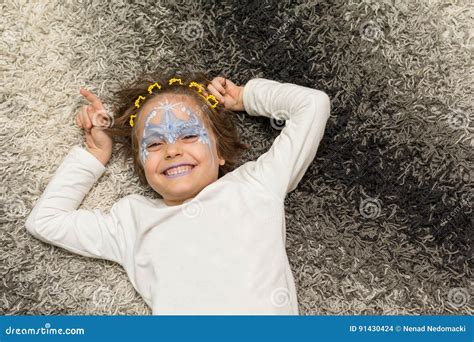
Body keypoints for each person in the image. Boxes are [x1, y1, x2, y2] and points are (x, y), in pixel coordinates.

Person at [25, 71, 331, 315]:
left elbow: (313, 104)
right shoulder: (130, 221)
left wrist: (243, 97)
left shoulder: (256, 184)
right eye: (155, 144)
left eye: (188, 135)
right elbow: (46, 220)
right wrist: (95, 153)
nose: (172, 150)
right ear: (141, 163)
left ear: (220, 150)